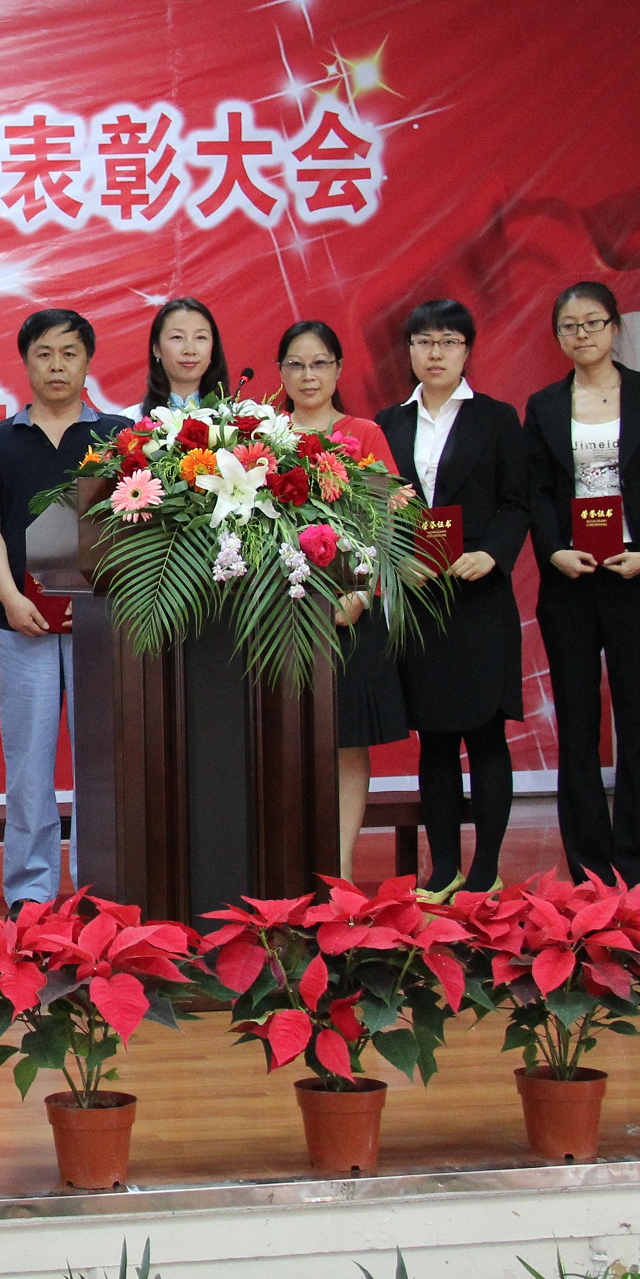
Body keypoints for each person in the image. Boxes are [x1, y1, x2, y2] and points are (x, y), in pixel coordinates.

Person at [524, 283, 640, 881]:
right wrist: (554, 552)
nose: (582, 334)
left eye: (593, 322)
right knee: (578, 721)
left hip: (634, 575)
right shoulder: (543, 404)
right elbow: (538, 493)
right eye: (569, 326)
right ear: (558, 337)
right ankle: (588, 861)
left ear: (615, 327)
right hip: (571, 580)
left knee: (639, 719)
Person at [0, 307, 127, 912]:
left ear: (88, 361)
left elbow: (137, 527)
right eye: (44, 354)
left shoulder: (120, 437)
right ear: (25, 362)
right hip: (24, 625)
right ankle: (30, 891)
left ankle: (100, 886)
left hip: (102, 630)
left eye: (69, 353)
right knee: (29, 765)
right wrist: (10, 598)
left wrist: (108, 602)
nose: (56, 366)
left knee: (102, 765)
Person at [376, 297, 529, 893]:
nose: (434, 353)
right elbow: (375, 509)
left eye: (447, 342)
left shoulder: (497, 418)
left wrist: (492, 554)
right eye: (423, 342)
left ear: (467, 349)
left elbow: (517, 502)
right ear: (409, 351)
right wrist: (398, 562)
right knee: (435, 738)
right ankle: (443, 867)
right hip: (420, 599)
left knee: (486, 734)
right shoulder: (388, 424)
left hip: (479, 595)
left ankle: (486, 870)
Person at [276, 320, 404, 881]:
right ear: (281, 372)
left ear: (338, 369)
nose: (308, 375)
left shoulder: (364, 434)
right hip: (280, 613)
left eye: (320, 363)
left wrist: (359, 594)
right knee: (285, 739)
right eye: (297, 364)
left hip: (350, 612)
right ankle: (291, 861)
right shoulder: (265, 436)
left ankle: (342, 865)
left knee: (347, 742)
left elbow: (386, 522)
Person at [144, 298, 231, 411]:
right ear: (156, 349)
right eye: (177, 337)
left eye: (200, 337)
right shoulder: (131, 419)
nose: (190, 350)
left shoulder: (236, 417)